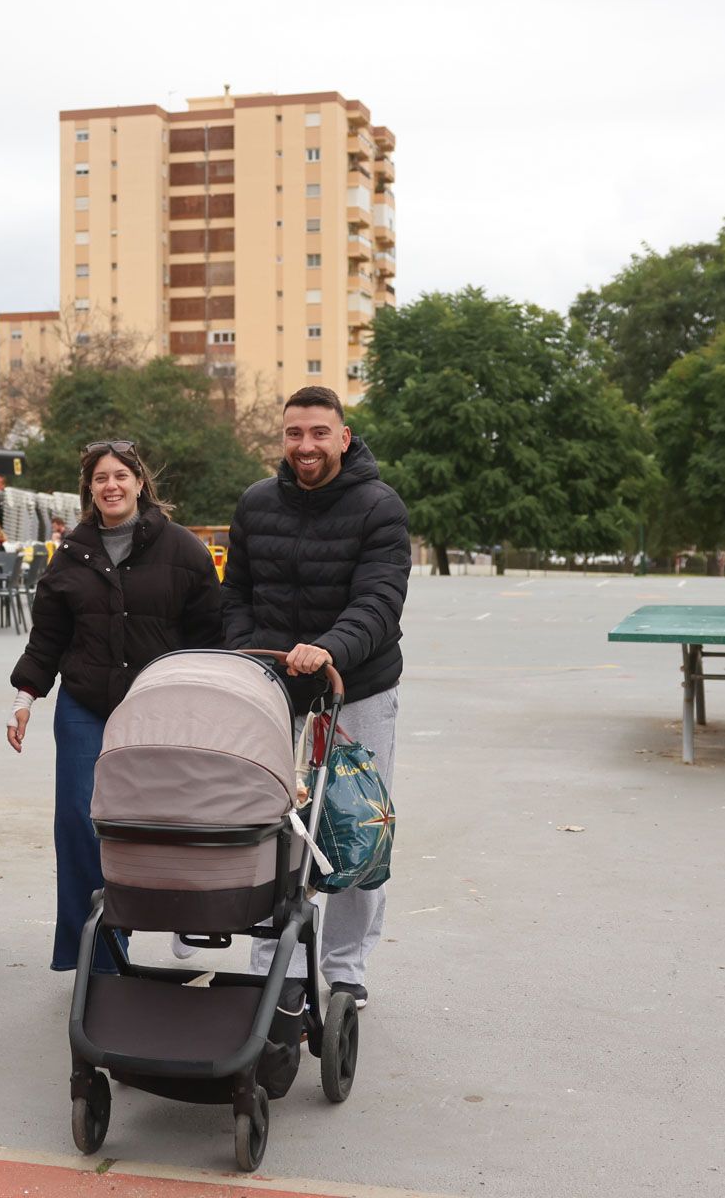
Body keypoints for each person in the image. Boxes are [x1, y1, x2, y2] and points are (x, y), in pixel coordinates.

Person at [222, 385, 408, 1010]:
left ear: (343, 438)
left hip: (355, 690)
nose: (306, 445)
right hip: (274, 690)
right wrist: (250, 652)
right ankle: (276, 969)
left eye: (319, 433)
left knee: (354, 829)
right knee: (276, 828)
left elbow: (379, 601)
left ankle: (347, 967)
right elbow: (236, 596)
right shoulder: (255, 505)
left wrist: (329, 647)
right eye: (294, 434)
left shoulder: (380, 507)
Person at [7, 441, 223, 973]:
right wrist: (25, 698)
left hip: (162, 708)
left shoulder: (184, 550)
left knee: (170, 816)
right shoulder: (71, 552)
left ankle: (187, 915)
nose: (111, 486)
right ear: (89, 489)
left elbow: (210, 635)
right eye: (100, 478)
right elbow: (48, 637)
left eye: (121, 476)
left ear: (139, 483)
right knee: (81, 821)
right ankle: (99, 955)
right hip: (86, 704)